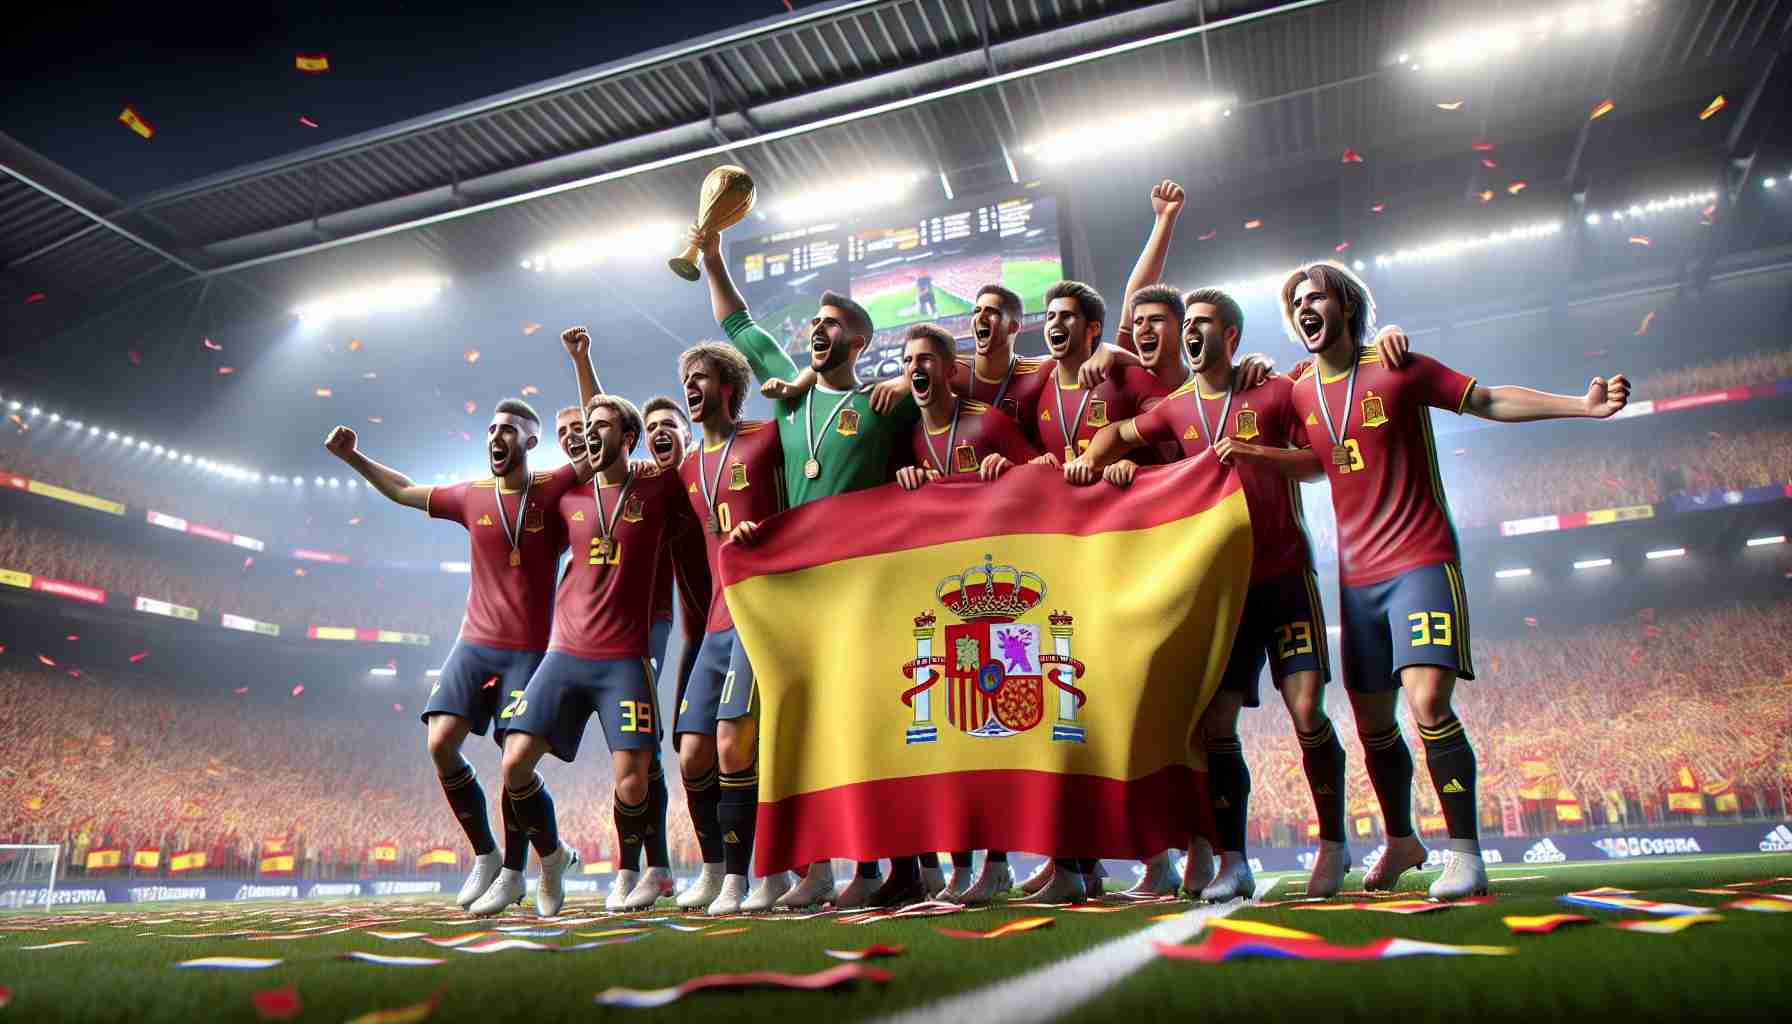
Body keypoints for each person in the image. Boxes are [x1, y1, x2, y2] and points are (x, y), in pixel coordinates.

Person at [1277, 260, 1629, 900]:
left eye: (1317, 296)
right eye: (1296, 300)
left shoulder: (1398, 366)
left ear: (1347, 308)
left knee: (1429, 705)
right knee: (1373, 725)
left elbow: (1488, 399)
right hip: (1355, 582)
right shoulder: (1298, 388)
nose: (1305, 307)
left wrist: (1582, 405)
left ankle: (1465, 854)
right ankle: (1401, 839)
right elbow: (1315, 462)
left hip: (1420, 561)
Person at [1071, 285, 1361, 901]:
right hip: (1224, 592)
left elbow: (1318, 461)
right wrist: (1094, 464)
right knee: (1215, 723)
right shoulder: (1175, 409)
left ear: (1230, 337)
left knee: (1307, 709)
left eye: (1205, 323)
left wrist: (1258, 450)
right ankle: (1235, 861)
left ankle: (1334, 846)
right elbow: (1116, 434)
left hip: (1284, 577)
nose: (1194, 332)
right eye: (1189, 324)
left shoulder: (1274, 390)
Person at [689, 222, 922, 909]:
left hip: (863, 590)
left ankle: (879, 869)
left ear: (858, 342)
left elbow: (954, 380)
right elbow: (741, 325)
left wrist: (904, 389)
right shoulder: (787, 398)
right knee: (806, 730)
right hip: (799, 592)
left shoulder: (881, 404)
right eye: (815, 323)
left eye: (832, 324)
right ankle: (816, 869)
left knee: (865, 726)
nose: (817, 331)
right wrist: (712, 258)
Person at [324, 391, 585, 914]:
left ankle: (532, 867)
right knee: (440, 742)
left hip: (528, 652)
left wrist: (582, 361)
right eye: (491, 429)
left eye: (508, 429)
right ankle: (488, 856)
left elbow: (603, 439)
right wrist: (355, 458)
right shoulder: (471, 495)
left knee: (514, 765)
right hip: (474, 644)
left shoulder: (555, 486)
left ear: (531, 441)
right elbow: (401, 490)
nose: (497, 436)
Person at [480, 394, 696, 917]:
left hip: (626, 656)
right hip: (563, 653)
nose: (588, 434)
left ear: (628, 439)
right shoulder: (568, 493)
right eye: (583, 428)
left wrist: (586, 363)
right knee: (513, 765)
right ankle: (552, 858)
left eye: (602, 427)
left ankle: (631, 872)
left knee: (634, 779)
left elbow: (693, 457)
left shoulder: (658, 485)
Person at [664, 342, 790, 914]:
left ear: (729, 388)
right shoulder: (687, 466)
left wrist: (769, 533)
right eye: (686, 377)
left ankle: (745, 878)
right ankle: (715, 870)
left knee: (734, 744)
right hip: (714, 623)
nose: (691, 385)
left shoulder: (766, 439)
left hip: (761, 614)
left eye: (702, 376)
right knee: (692, 755)